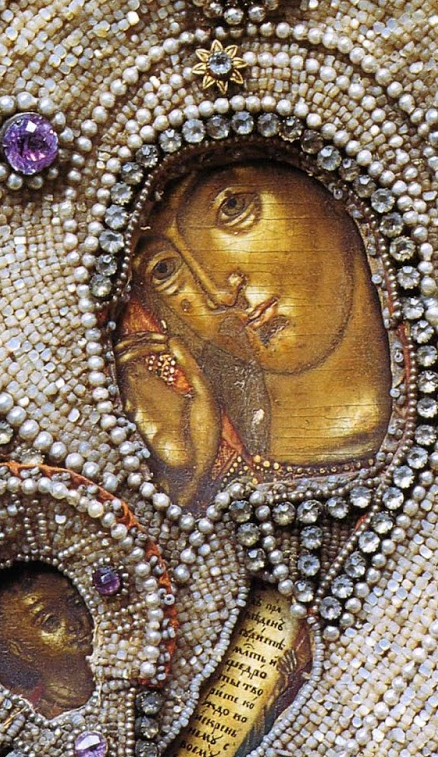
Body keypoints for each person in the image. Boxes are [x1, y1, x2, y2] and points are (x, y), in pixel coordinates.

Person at [116, 159, 393, 506]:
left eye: (233, 208)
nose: (218, 294)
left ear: (332, 193)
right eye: (164, 270)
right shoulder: (219, 488)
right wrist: (186, 483)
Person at [0, 562, 96, 718]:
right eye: (51, 621)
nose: (75, 624)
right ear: (21, 650)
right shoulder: (28, 715)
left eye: (76, 604)